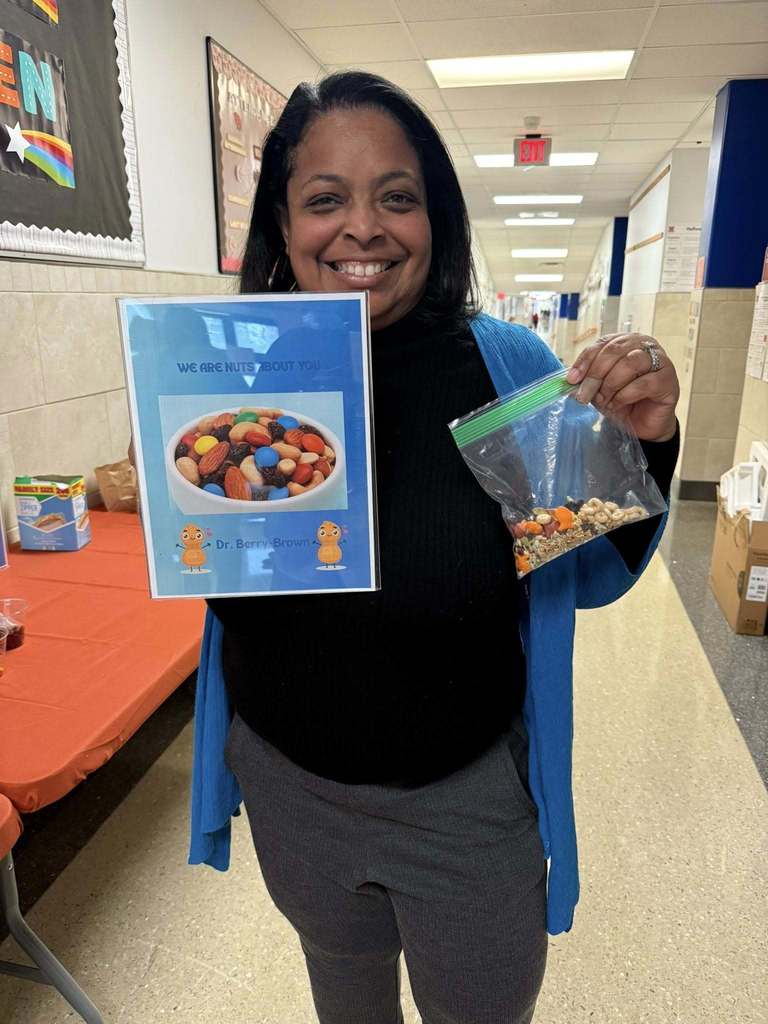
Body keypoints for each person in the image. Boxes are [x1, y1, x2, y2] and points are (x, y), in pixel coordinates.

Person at [187, 71, 681, 1024]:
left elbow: (585, 568)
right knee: (342, 981)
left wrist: (645, 445)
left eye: (396, 197)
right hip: (291, 794)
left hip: (464, 810)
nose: (361, 228)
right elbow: (221, 582)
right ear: (283, 225)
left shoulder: (506, 370)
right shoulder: (230, 377)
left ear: (435, 218)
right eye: (324, 199)